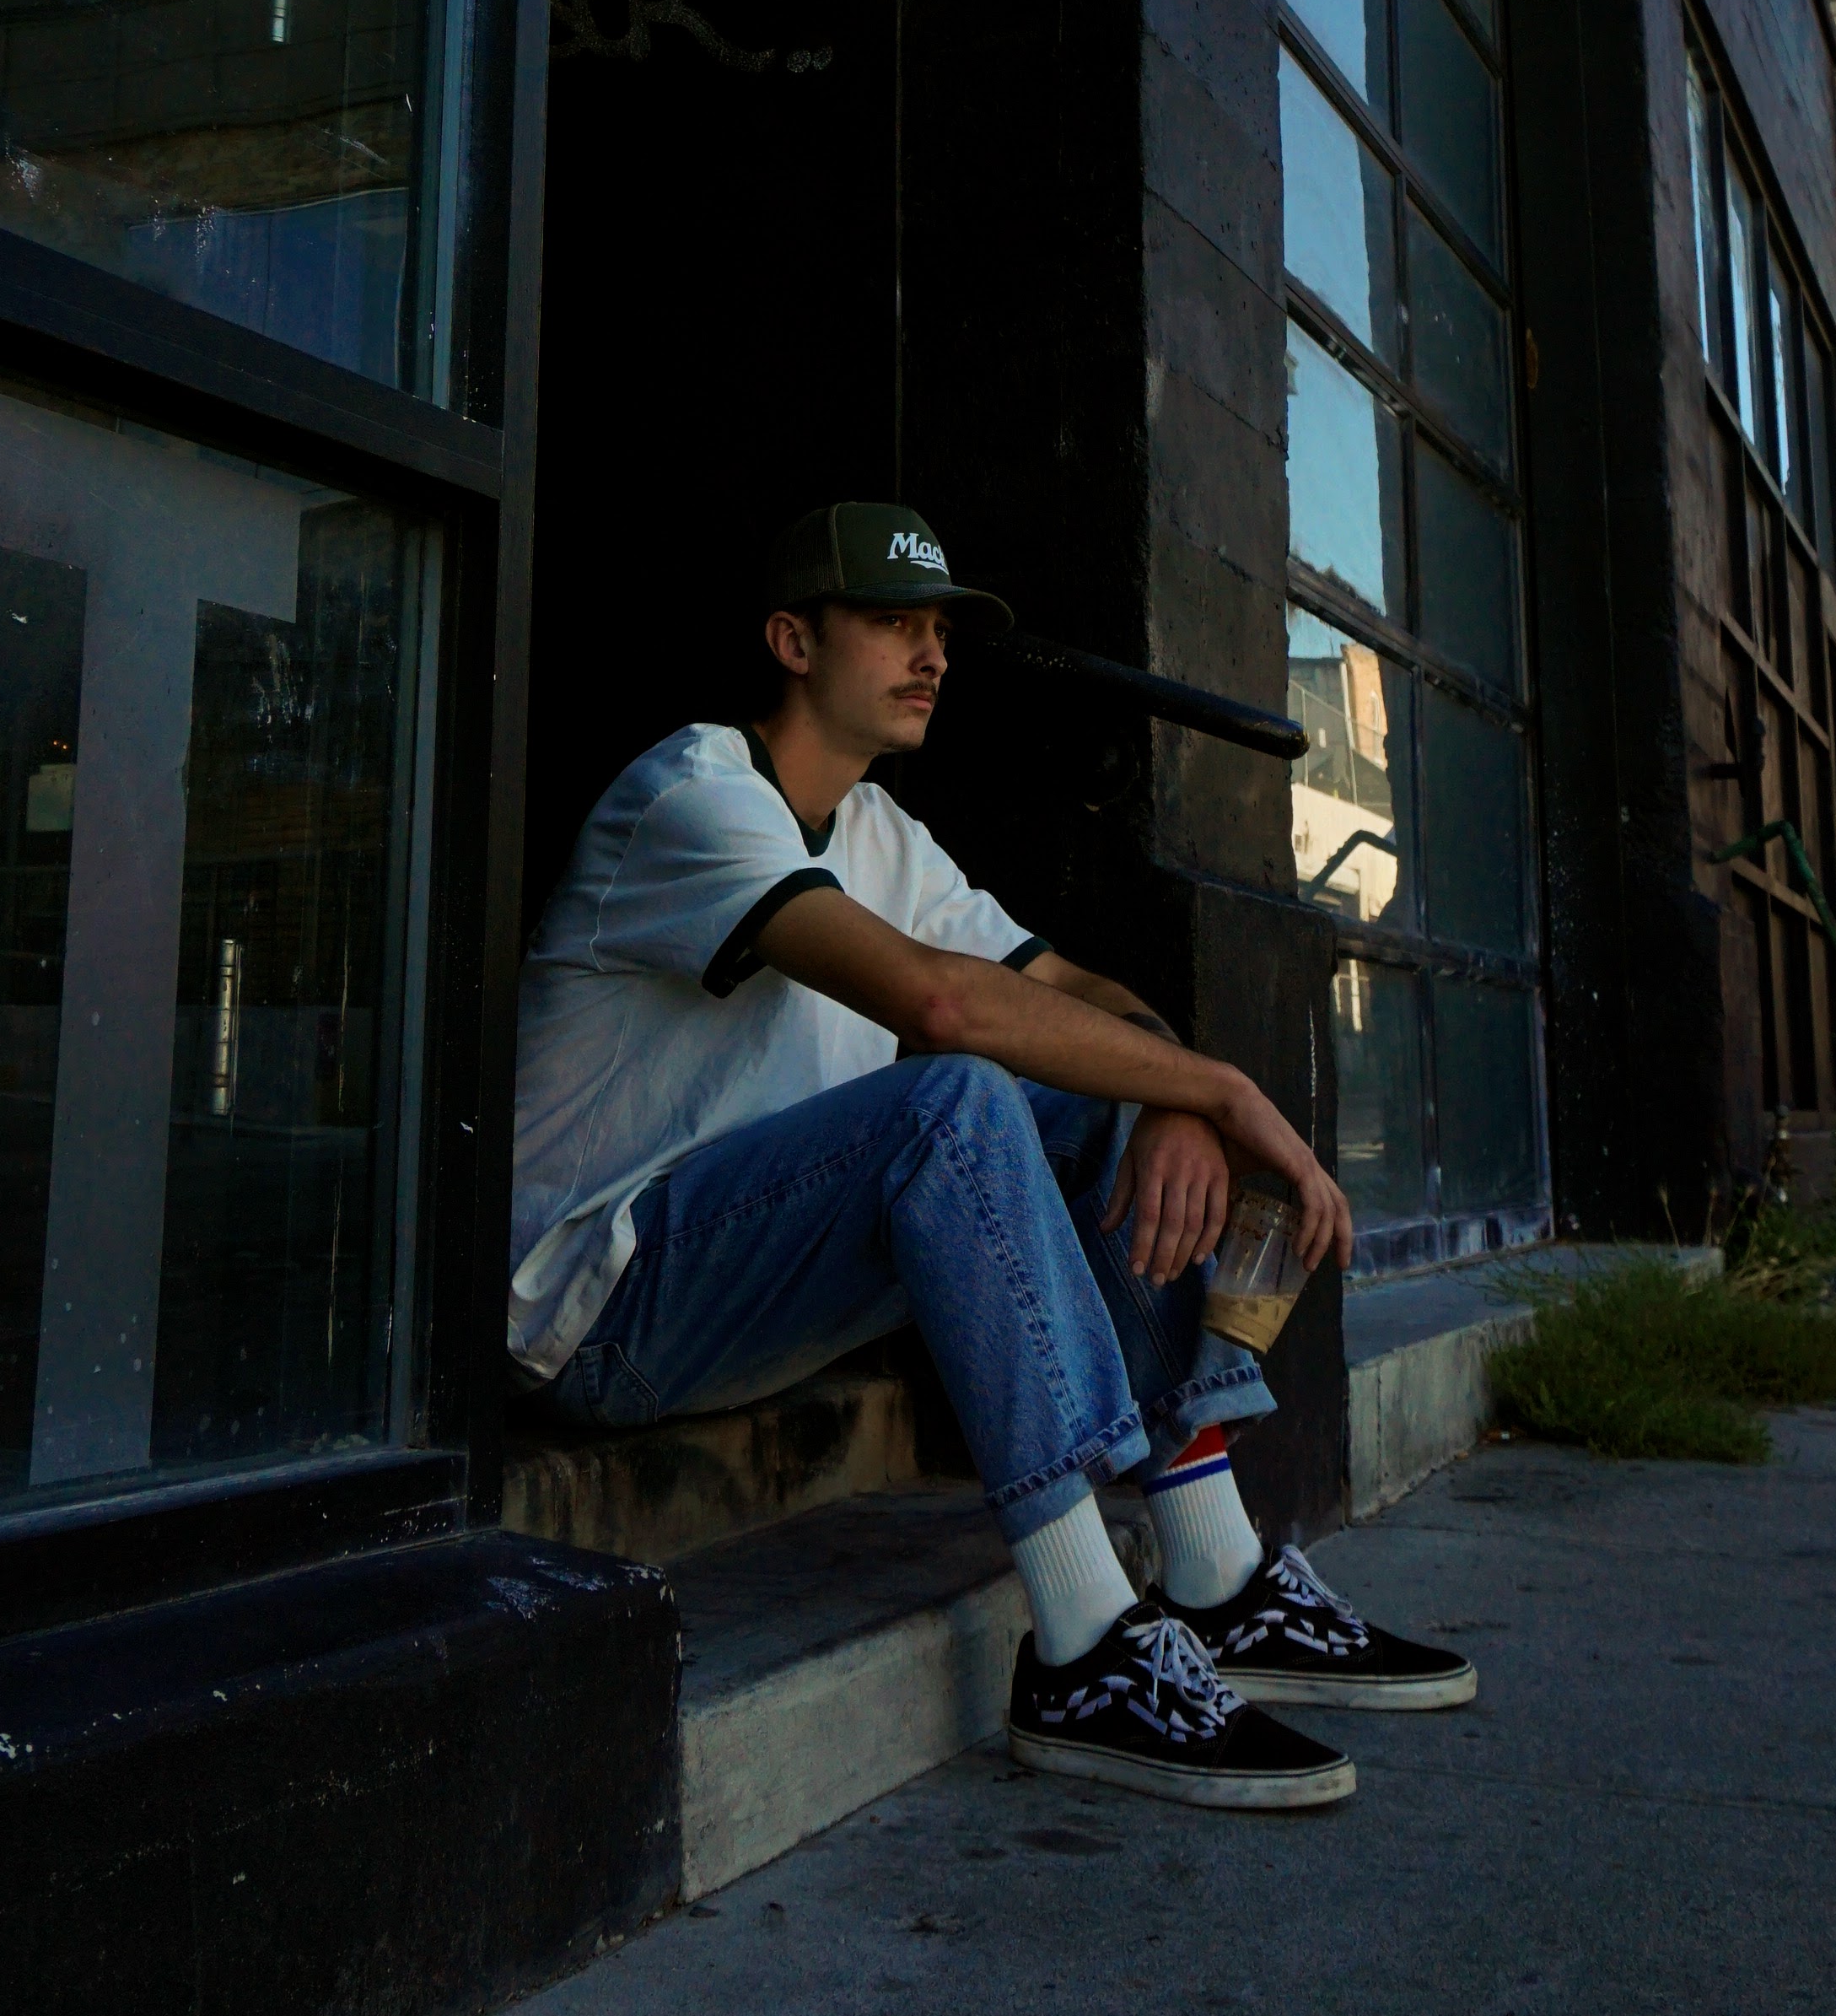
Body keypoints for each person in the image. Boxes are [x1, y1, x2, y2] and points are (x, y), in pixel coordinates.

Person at [509, 499, 1473, 1809]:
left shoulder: (880, 836)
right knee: (958, 1099)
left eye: (942, 631)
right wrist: (1228, 1088)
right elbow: (944, 1007)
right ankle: (1083, 1643)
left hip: (752, 1289)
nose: (933, 654)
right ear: (792, 639)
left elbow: (1070, 987)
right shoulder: (690, 795)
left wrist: (1175, 1105)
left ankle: (1216, 1571)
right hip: (606, 1309)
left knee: (1097, 1103)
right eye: (893, 624)